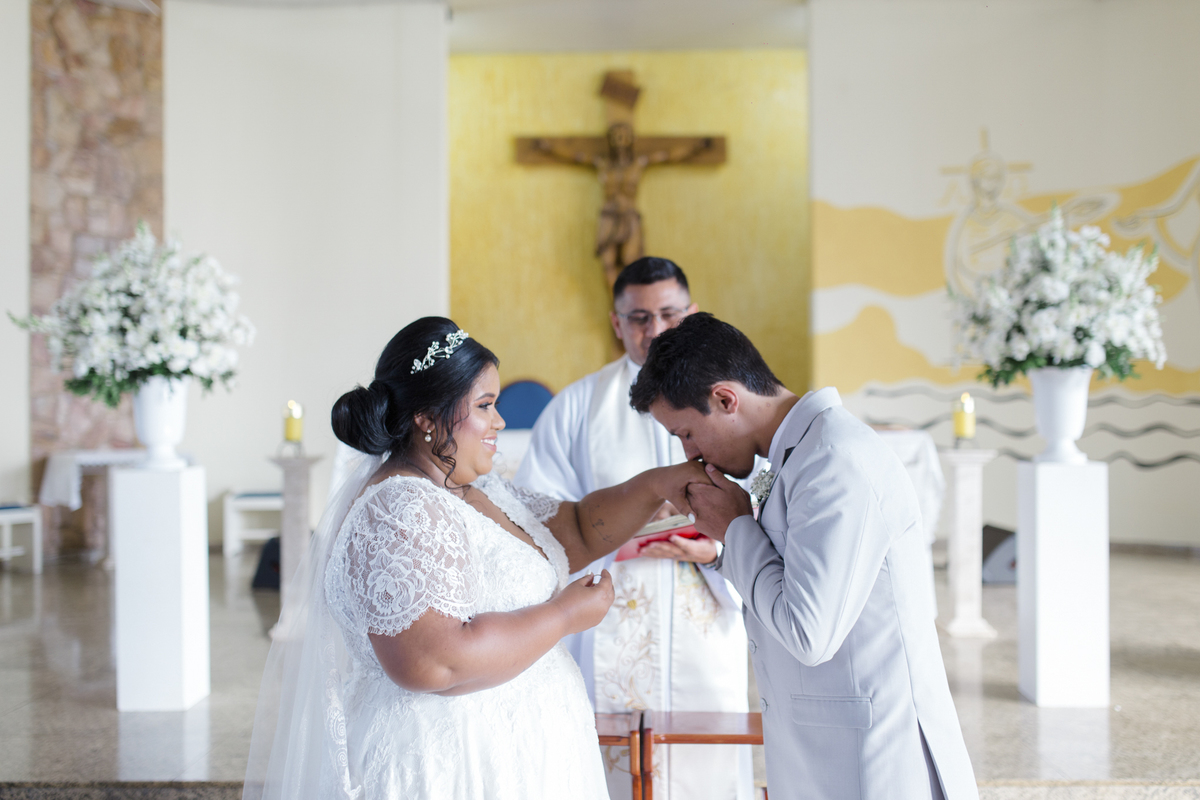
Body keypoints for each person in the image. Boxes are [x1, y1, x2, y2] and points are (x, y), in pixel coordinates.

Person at [242, 316, 706, 800]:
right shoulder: (399, 508)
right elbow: (433, 662)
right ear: (427, 417)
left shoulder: (475, 487)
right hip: (451, 763)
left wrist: (659, 485)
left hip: (521, 753)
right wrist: (565, 616)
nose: (499, 422)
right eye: (485, 406)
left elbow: (574, 529)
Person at [630, 313, 979, 800]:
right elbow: (788, 565)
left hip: (873, 761)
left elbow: (808, 632)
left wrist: (735, 528)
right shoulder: (790, 456)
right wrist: (718, 552)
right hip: (833, 748)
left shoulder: (834, 459)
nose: (691, 454)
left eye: (686, 433)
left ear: (726, 399)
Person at [515, 258, 752, 800]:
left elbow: (757, 494)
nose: (656, 330)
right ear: (617, 323)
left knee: (705, 763)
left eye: (669, 314)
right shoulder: (577, 407)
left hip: (705, 600)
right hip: (613, 606)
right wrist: (617, 535)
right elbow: (540, 518)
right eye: (639, 317)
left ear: (692, 313)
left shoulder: (727, 399)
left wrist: (720, 546)